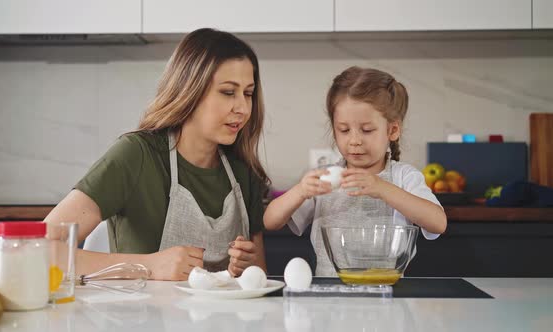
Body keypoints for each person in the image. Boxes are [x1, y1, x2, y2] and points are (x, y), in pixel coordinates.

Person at [44, 28, 270, 280]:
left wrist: (247, 269)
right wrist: (149, 266)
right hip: (138, 319)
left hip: (224, 320)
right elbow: (38, 250)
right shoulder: (136, 155)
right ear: (190, 90)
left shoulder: (242, 171)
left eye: (247, 94)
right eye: (228, 92)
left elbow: (259, 278)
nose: (242, 108)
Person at [263, 66, 447, 276]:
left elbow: (438, 223)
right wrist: (300, 191)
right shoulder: (326, 178)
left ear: (392, 130)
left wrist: (382, 188)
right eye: (344, 130)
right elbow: (270, 221)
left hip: (387, 295)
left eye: (367, 130)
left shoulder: (403, 177)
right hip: (329, 297)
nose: (355, 140)